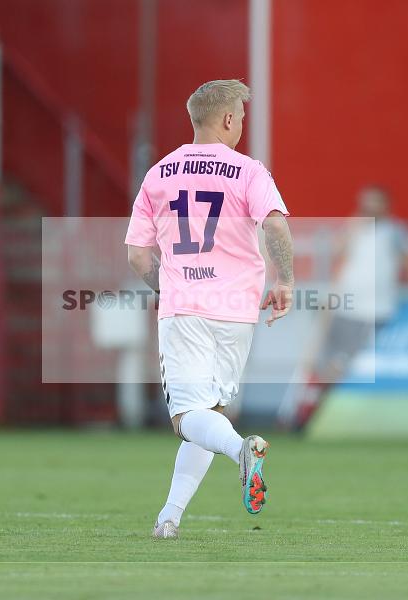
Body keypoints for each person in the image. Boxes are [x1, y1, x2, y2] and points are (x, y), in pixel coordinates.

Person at [125, 79, 294, 539]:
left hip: (186, 310)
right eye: (240, 116)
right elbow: (275, 225)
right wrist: (286, 280)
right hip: (236, 312)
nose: (241, 124)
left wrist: (170, 288)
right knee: (208, 414)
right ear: (226, 120)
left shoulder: (159, 173)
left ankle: (242, 450)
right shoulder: (249, 171)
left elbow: (138, 256)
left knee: (187, 420)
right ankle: (169, 518)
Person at [280, 186, 408, 431]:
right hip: (343, 304)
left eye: (374, 203)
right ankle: (300, 413)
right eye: (365, 203)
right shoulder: (355, 228)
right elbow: (338, 255)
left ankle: (311, 413)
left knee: (339, 364)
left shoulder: (393, 232)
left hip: (372, 309)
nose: (369, 208)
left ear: (385, 205)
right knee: (319, 360)